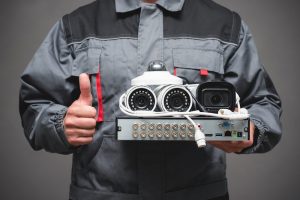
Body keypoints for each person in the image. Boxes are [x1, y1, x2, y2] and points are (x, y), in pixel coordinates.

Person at [19, 0, 282, 199]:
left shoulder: (224, 26)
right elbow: (35, 102)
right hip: (101, 193)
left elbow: (263, 103)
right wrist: (61, 124)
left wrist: (247, 131)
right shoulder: (77, 27)